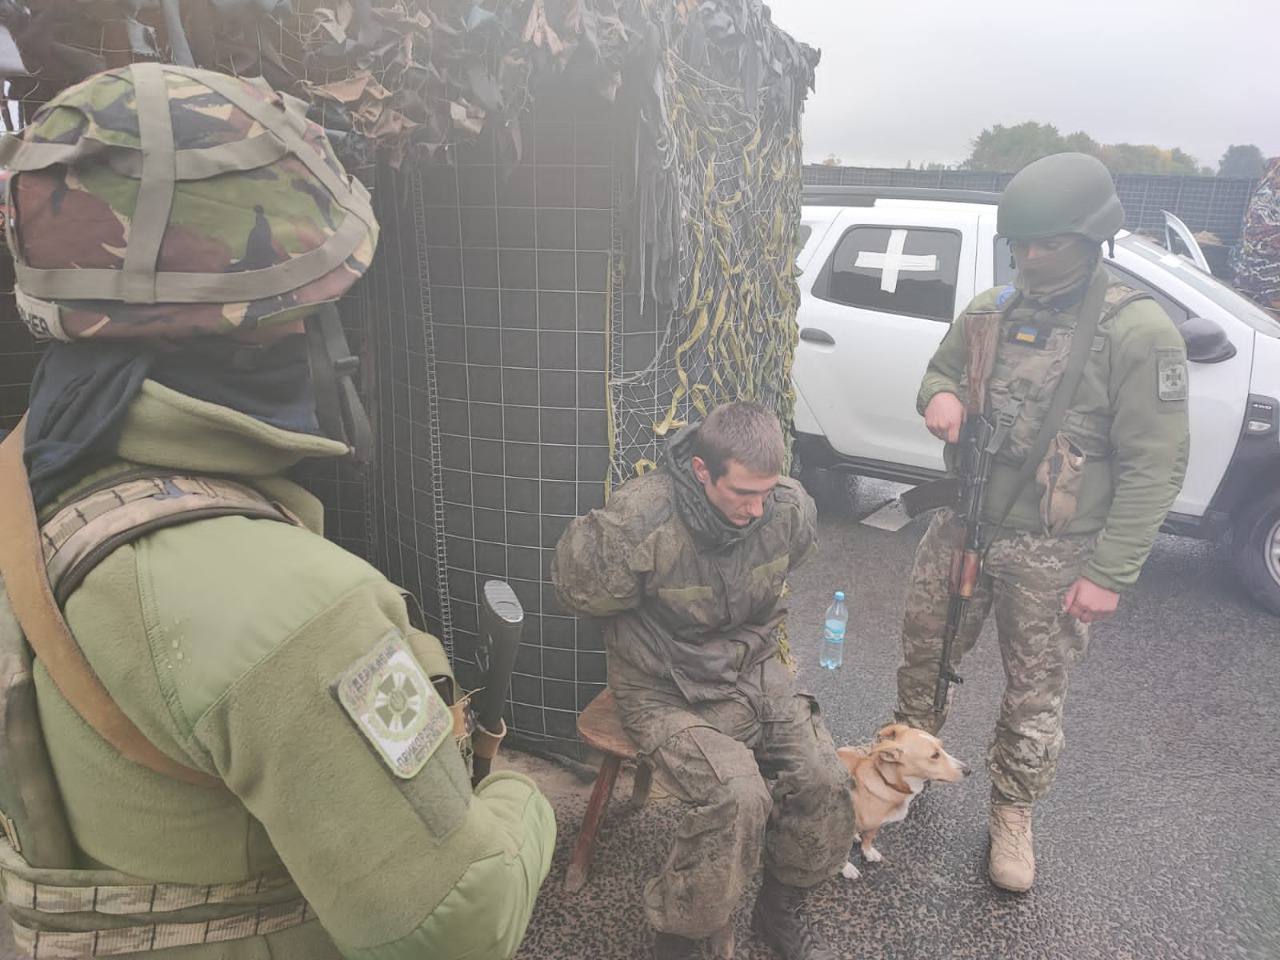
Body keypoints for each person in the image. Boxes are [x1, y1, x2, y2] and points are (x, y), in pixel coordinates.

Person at [0, 64, 553, 958]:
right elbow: (458, 922)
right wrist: (520, 799)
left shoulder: (27, 486)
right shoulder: (298, 608)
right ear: (273, 320)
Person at [894, 152, 1190, 892]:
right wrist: (938, 399)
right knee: (924, 651)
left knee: (1033, 694)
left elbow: (1157, 464)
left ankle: (1012, 815)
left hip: (1055, 550)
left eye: (1045, 243)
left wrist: (1110, 571)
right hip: (965, 525)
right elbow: (939, 368)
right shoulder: (991, 310)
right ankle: (903, 763)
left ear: (1092, 238)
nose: (1028, 258)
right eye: (1019, 244)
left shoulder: (1138, 330)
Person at [553, 401, 856, 960]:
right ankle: (679, 938)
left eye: (765, 491)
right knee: (737, 796)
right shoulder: (641, 520)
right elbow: (578, 592)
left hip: (752, 671)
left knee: (824, 780)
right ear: (701, 471)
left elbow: (794, 552)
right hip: (663, 688)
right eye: (743, 493)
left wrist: (762, 505)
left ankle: (778, 906)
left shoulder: (787, 508)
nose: (756, 507)